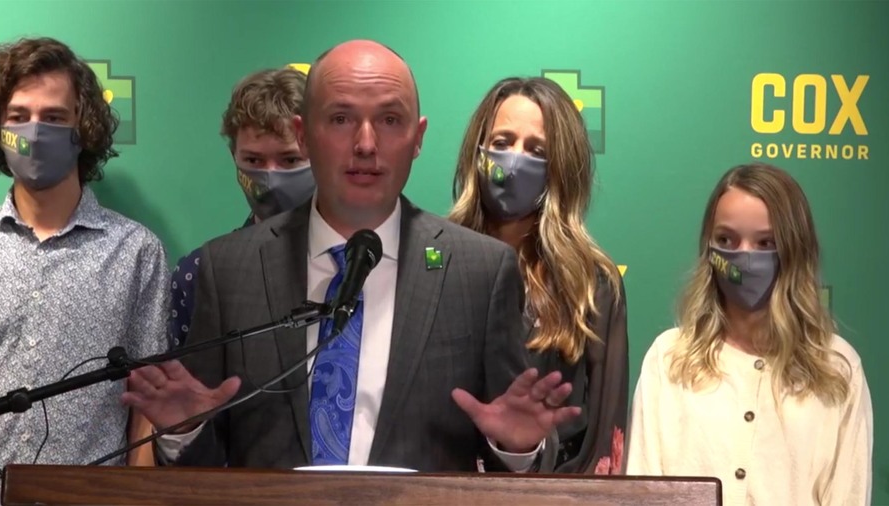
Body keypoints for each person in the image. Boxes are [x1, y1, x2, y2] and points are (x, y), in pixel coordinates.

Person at [123, 39, 581, 472]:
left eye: (389, 120)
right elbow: (200, 472)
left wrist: (517, 446)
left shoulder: (480, 271)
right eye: (341, 119)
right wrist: (183, 431)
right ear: (304, 135)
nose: (365, 143)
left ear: (418, 138)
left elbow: (512, 444)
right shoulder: (229, 269)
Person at [0, 37, 170, 505]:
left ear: (84, 129)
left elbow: (144, 419)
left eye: (55, 117)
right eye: (18, 116)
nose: (35, 131)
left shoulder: (137, 252)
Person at [626, 163, 873, 505]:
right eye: (726, 239)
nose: (743, 257)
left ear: (794, 249)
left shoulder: (837, 368)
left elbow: (849, 493)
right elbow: (643, 489)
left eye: (765, 242)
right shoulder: (669, 358)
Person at [448, 77, 628, 474]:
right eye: (502, 142)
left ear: (560, 166)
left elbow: (602, 440)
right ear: (477, 153)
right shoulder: (435, 259)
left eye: (536, 149)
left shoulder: (592, 282)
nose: (514, 159)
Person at [169, 67, 314, 348]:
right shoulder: (199, 274)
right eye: (254, 161)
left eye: (290, 160)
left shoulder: (363, 260)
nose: (271, 178)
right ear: (233, 155)